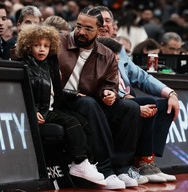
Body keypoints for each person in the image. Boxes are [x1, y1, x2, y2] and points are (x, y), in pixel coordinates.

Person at [57, 7, 141, 189]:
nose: (81, 31)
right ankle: (104, 169)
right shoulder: (58, 42)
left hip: (89, 99)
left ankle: (121, 168)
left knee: (130, 108)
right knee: (89, 104)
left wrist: (108, 93)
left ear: (99, 30)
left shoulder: (107, 54)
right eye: (78, 26)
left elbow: (109, 83)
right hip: (61, 99)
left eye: (88, 29)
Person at [96, 5, 179, 183]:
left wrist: (170, 92)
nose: (104, 24)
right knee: (145, 102)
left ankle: (146, 162)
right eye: (99, 20)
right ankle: (135, 163)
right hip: (106, 102)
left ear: (113, 26)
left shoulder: (118, 48)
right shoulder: (88, 49)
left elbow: (141, 76)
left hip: (124, 100)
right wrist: (122, 96)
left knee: (165, 106)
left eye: (108, 21)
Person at [16, 24, 106, 186]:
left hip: (51, 108)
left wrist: (73, 94)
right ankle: (79, 161)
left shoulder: (50, 64)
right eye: (37, 45)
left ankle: (86, 162)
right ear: (28, 46)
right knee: (72, 122)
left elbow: (54, 90)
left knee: (84, 121)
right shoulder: (25, 66)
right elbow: (21, 93)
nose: (42, 49)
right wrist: (32, 110)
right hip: (42, 112)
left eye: (45, 45)